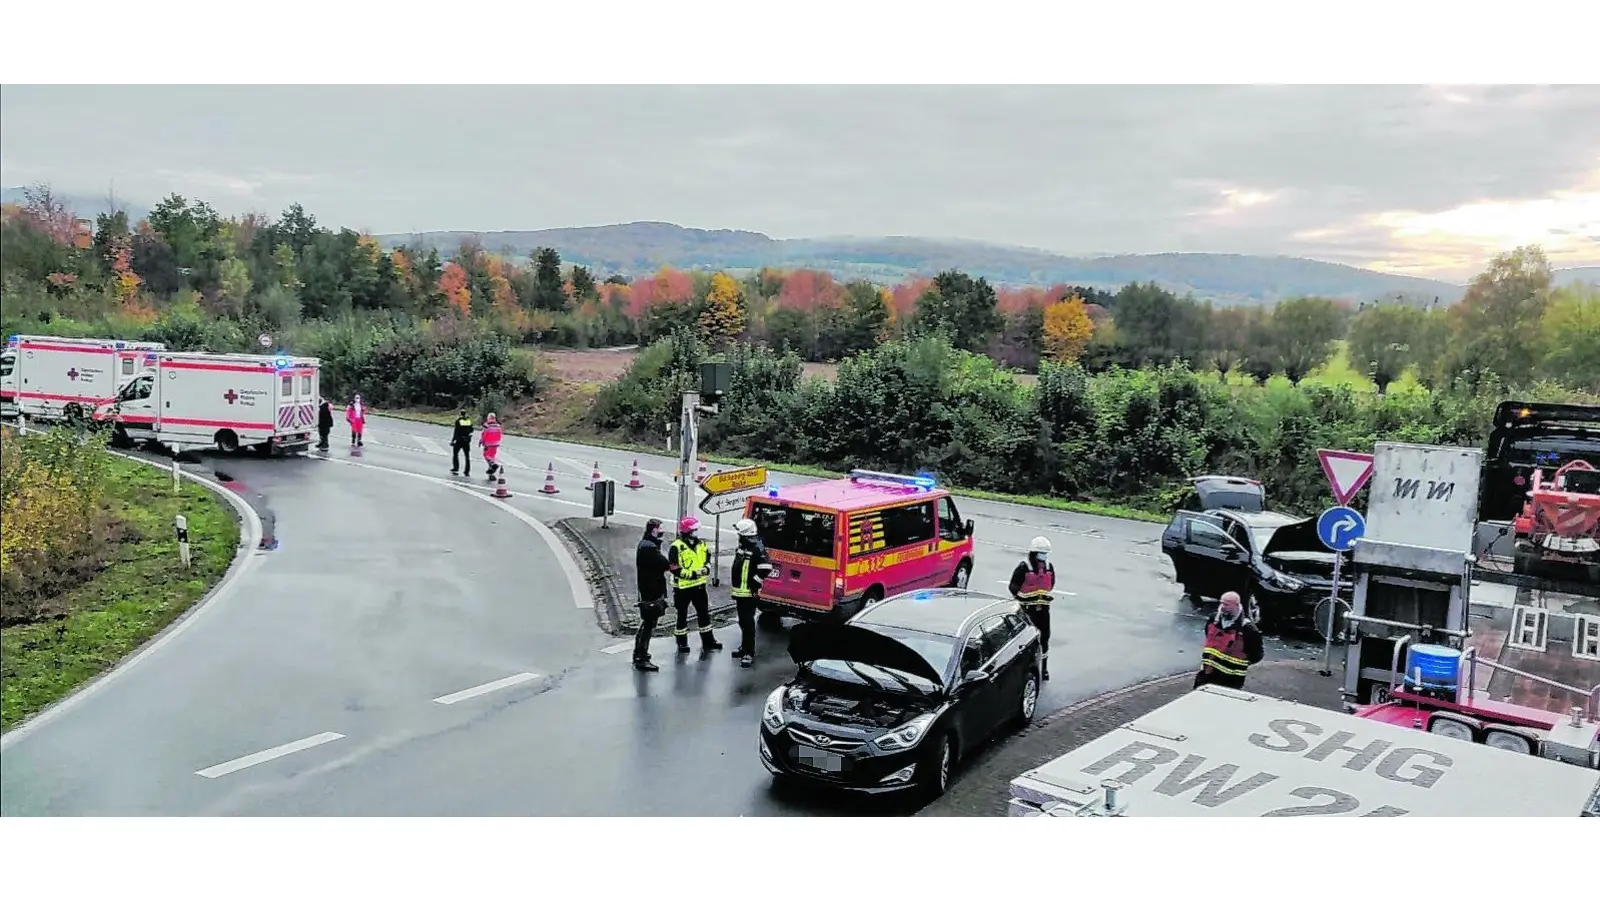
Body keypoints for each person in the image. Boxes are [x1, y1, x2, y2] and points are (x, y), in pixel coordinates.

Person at [667, 516, 721, 655]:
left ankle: (708, 641)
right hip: (683, 588)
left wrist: (706, 569)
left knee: (704, 614)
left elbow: (708, 560)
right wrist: (691, 574)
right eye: (695, 529)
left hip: (699, 586)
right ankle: (682, 642)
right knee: (682, 615)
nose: (697, 531)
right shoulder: (676, 547)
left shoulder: (701, 544)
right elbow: (674, 568)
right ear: (688, 531)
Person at [1194, 591, 1264, 690]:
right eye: (1221, 603)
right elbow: (1209, 637)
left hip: (1230, 681)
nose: (1222, 606)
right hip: (1206, 675)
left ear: (1236, 605)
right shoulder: (1213, 620)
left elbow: (1256, 655)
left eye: (1226, 604)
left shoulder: (1248, 629)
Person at [1009, 536, 1057, 680]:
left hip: (1043, 610)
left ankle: (1044, 668)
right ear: (1034, 553)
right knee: (1025, 641)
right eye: (1041, 553)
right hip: (1027, 611)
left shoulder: (1049, 567)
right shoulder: (1024, 567)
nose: (1043, 557)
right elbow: (1013, 586)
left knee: (1044, 639)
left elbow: (1051, 583)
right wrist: (1022, 599)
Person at [728, 517, 773, 668]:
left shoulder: (756, 548)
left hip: (748, 593)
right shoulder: (745, 546)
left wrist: (754, 583)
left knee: (747, 623)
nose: (737, 535)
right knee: (742, 621)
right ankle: (744, 647)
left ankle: (749, 652)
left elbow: (766, 568)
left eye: (739, 533)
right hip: (740, 592)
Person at [633, 518, 671, 672]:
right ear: (654, 530)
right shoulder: (649, 548)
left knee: (648, 623)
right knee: (648, 624)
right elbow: (664, 564)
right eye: (660, 528)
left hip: (649, 589)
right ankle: (640, 657)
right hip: (651, 591)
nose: (662, 531)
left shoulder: (647, 544)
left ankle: (640, 653)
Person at [449, 409, 474, 476]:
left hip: (459, 440)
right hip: (467, 440)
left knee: (455, 454)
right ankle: (467, 470)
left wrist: (453, 440)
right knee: (467, 456)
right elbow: (472, 429)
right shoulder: (469, 421)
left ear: (460, 414)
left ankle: (456, 468)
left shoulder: (458, 421)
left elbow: (456, 432)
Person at [480, 412, 503, 481]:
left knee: (486, 455)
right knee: (492, 456)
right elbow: (500, 435)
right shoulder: (498, 426)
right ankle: (491, 473)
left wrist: (482, 442)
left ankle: (493, 465)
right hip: (495, 444)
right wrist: (498, 442)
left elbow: (484, 435)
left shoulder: (487, 426)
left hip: (488, 444)